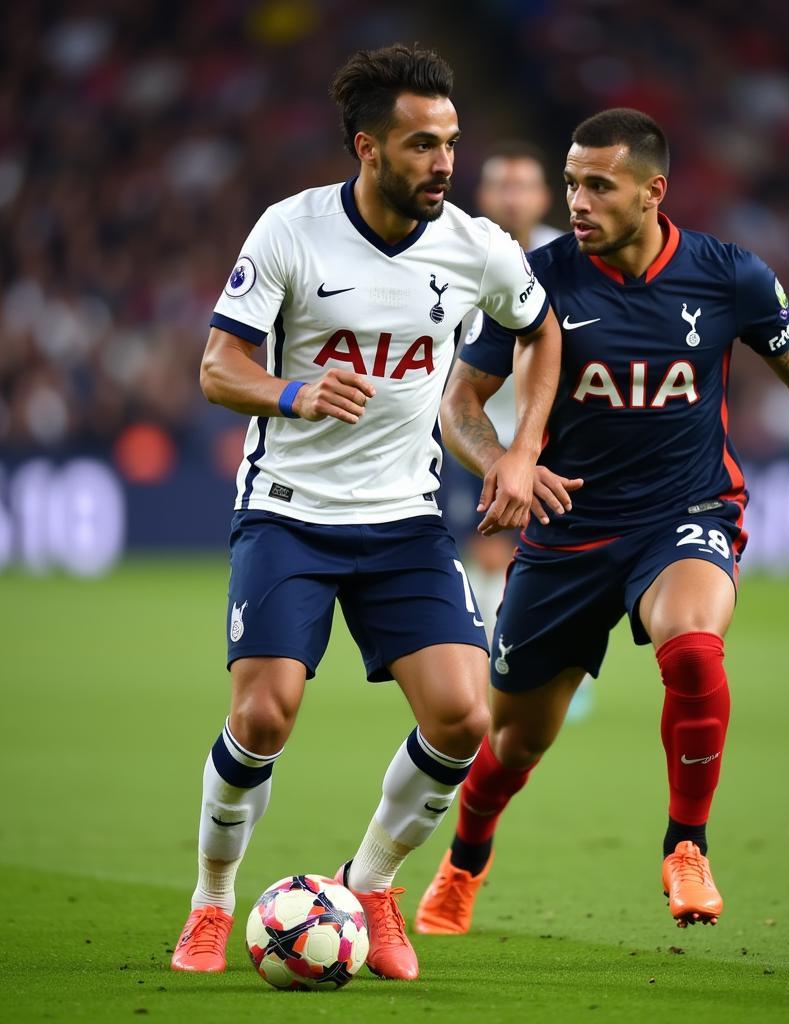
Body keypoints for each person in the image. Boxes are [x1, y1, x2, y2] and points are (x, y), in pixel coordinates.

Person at [414, 108, 789, 937]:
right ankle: (465, 860)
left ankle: (686, 845)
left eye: (598, 185)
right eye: (571, 184)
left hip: (685, 514)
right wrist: (504, 465)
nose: (577, 201)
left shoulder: (730, 276)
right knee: (513, 742)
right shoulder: (535, 278)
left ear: (654, 192)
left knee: (693, 647)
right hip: (566, 533)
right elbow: (461, 404)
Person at [169, 43, 561, 981]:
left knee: (466, 717)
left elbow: (538, 330)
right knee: (264, 717)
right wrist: (292, 393)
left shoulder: (476, 247)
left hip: (405, 518)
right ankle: (213, 904)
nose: (443, 163)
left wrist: (522, 449)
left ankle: (373, 882)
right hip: (289, 514)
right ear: (368, 148)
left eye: (451, 143)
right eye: (422, 144)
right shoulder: (291, 231)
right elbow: (217, 369)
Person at [447, 142, 565, 633]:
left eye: (523, 187)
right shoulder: (453, 257)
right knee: (489, 549)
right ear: (483, 195)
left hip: (553, 432)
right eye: (502, 186)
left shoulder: (568, 260)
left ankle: (545, 659)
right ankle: (494, 655)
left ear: (544, 198)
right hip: (479, 430)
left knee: (555, 553)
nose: (512, 198)